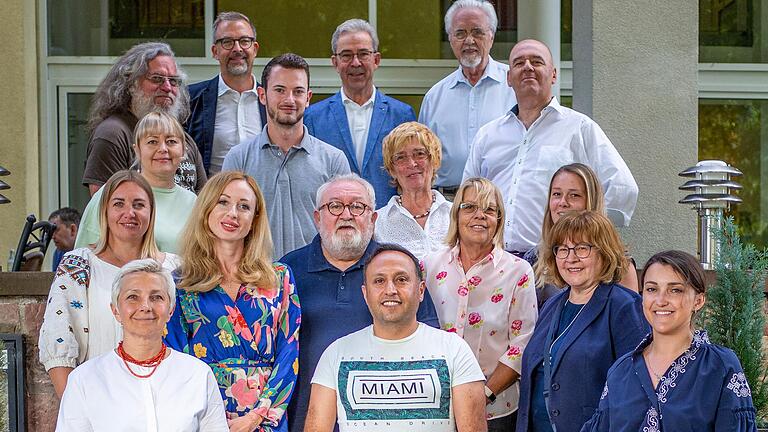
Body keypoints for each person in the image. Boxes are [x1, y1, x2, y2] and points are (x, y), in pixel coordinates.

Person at [280, 174, 439, 432]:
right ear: (318, 218)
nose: (346, 215)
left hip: (386, 416)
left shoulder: (397, 267)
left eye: (357, 206)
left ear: (373, 219)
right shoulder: (287, 271)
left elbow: (430, 341)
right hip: (306, 415)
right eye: (334, 206)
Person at [463, 39, 638, 256]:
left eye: (536, 61)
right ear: (509, 78)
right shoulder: (488, 135)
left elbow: (623, 188)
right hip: (494, 260)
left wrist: (586, 237)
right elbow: (467, 199)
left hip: (554, 261)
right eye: (519, 63)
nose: (527, 66)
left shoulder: (579, 128)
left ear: (554, 74)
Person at [165, 171, 300, 432]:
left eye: (244, 206)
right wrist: (211, 419)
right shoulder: (180, 283)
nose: (233, 213)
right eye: (223, 202)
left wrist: (256, 417)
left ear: (254, 219)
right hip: (204, 415)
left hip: (266, 419)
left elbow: (289, 353)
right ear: (206, 211)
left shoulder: (279, 277)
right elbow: (175, 357)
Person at [304, 243, 488, 432]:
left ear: (421, 290)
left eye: (401, 279)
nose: (390, 289)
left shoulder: (454, 349)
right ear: (365, 294)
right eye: (379, 281)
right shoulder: (336, 354)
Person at [39, 170, 181, 398]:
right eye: (119, 204)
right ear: (104, 211)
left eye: (138, 204)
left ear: (151, 212)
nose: (129, 213)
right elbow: (58, 339)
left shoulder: (174, 269)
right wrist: (77, 410)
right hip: (99, 399)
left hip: (164, 402)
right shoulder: (79, 264)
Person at [582, 250, 757, 431]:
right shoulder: (621, 370)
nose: (661, 300)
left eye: (675, 290)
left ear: (698, 300)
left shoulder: (720, 367)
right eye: (652, 289)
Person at [56, 259, 228, 431]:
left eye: (156, 297)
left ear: (171, 310)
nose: (146, 306)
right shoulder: (85, 380)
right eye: (133, 297)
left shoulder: (197, 375)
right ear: (115, 310)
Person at [516, 211, 649, 432]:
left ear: (604, 253)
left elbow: (636, 390)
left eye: (582, 248)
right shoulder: (552, 305)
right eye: (563, 249)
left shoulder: (624, 306)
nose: (571, 258)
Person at [423, 177, 538, 431]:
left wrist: (483, 395)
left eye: (489, 209)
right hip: (434, 408)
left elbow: (522, 344)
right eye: (470, 207)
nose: (480, 216)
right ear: (456, 215)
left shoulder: (518, 272)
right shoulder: (428, 266)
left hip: (495, 409)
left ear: (499, 220)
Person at [223, 53, 351, 258]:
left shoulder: (333, 161)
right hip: (253, 278)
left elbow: (345, 227)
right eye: (280, 90)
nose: (289, 100)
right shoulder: (238, 159)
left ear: (308, 98)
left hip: (315, 281)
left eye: (298, 91)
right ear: (262, 95)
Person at [304, 18, 416, 208]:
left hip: (389, 226)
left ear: (376, 60)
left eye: (363, 54)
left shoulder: (402, 115)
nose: (355, 63)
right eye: (346, 55)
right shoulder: (313, 118)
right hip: (335, 227)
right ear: (335, 62)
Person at [419, 0, 516, 196]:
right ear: (450, 39)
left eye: (477, 32)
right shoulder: (434, 97)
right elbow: (422, 158)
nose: (469, 40)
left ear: (491, 36)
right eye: (461, 33)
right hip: (448, 202)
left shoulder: (514, 87)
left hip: (502, 200)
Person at [82, 42, 206, 194]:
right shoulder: (113, 133)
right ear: (130, 84)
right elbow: (103, 207)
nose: (167, 88)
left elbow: (204, 202)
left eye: (174, 81)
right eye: (157, 79)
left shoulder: (184, 138)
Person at [75, 111, 198, 253]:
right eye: (152, 142)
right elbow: (84, 255)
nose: (163, 149)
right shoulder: (111, 194)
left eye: (171, 141)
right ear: (137, 150)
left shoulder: (194, 203)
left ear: (183, 150)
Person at [528, 163, 639, 307]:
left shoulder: (618, 263)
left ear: (591, 202)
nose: (563, 202)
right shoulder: (534, 259)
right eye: (557, 194)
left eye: (574, 195)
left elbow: (629, 316)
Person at [186, 11, 267, 176]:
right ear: (215, 51)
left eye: (245, 41)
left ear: (255, 48)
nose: (237, 49)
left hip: (263, 199)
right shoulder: (191, 100)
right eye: (227, 42)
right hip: (212, 199)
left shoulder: (270, 100)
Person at [374, 122, 451, 260]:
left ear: (434, 160)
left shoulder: (456, 215)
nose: (412, 164)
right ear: (391, 170)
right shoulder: (377, 223)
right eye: (401, 157)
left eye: (419, 154)